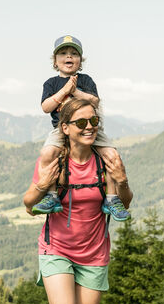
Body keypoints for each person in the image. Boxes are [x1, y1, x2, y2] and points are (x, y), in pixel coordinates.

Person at [23, 98, 133, 304]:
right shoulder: (55, 161)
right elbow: (29, 205)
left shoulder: (106, 160)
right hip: (56, 249)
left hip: (95, 253)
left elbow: (126, 202)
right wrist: (42, 186)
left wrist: (122, 181)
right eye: (82, 123)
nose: (89, 128)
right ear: (66, 128)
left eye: (94, 122)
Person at [32, 35, 130, 222]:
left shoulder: (85, 80)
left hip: (90, 126)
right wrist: (65, 90)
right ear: (55, 61)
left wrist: (75, 91)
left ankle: (111, 199)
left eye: (74, 54)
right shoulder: (51, 84)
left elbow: (94, 100)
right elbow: (46, 107)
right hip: (62, 129)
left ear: (80, 60)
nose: (69, 57)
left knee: (111, 155)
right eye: (63, 53)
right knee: (47, 153)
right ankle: (51, 196)